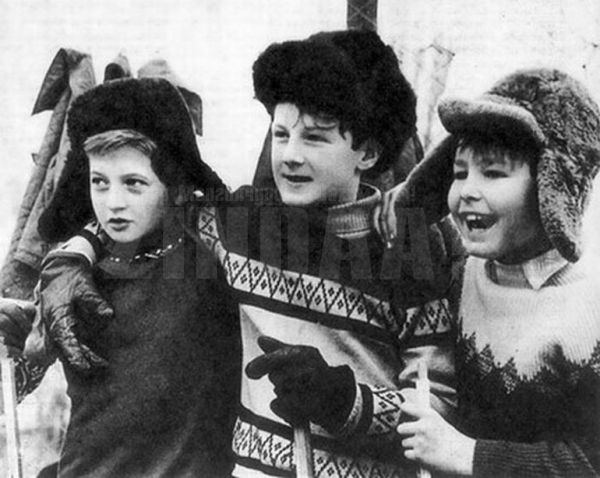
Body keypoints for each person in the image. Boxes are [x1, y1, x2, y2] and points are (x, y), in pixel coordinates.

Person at [34, 30, 463, 477]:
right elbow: (148, 208)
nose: (290, 155)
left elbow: (438, 405)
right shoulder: (241, 224)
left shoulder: (410, 246)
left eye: (314, 138)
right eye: (281, 134)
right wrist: (72, 257)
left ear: (368, 152)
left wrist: (343, 401)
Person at [381, 68, 600, 476]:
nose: (467, 190)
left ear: (553, 187)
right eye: (459, 172)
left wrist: (469, 455)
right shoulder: (463, 278)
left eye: (494, 173)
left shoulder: (591, 305)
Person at [27, 77, 240, 477]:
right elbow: (27, 366)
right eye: (99, 182)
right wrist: (20, 331)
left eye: (134, 183)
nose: (113, 203)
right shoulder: (73, 277)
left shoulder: (213, 263)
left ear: (174, 183)